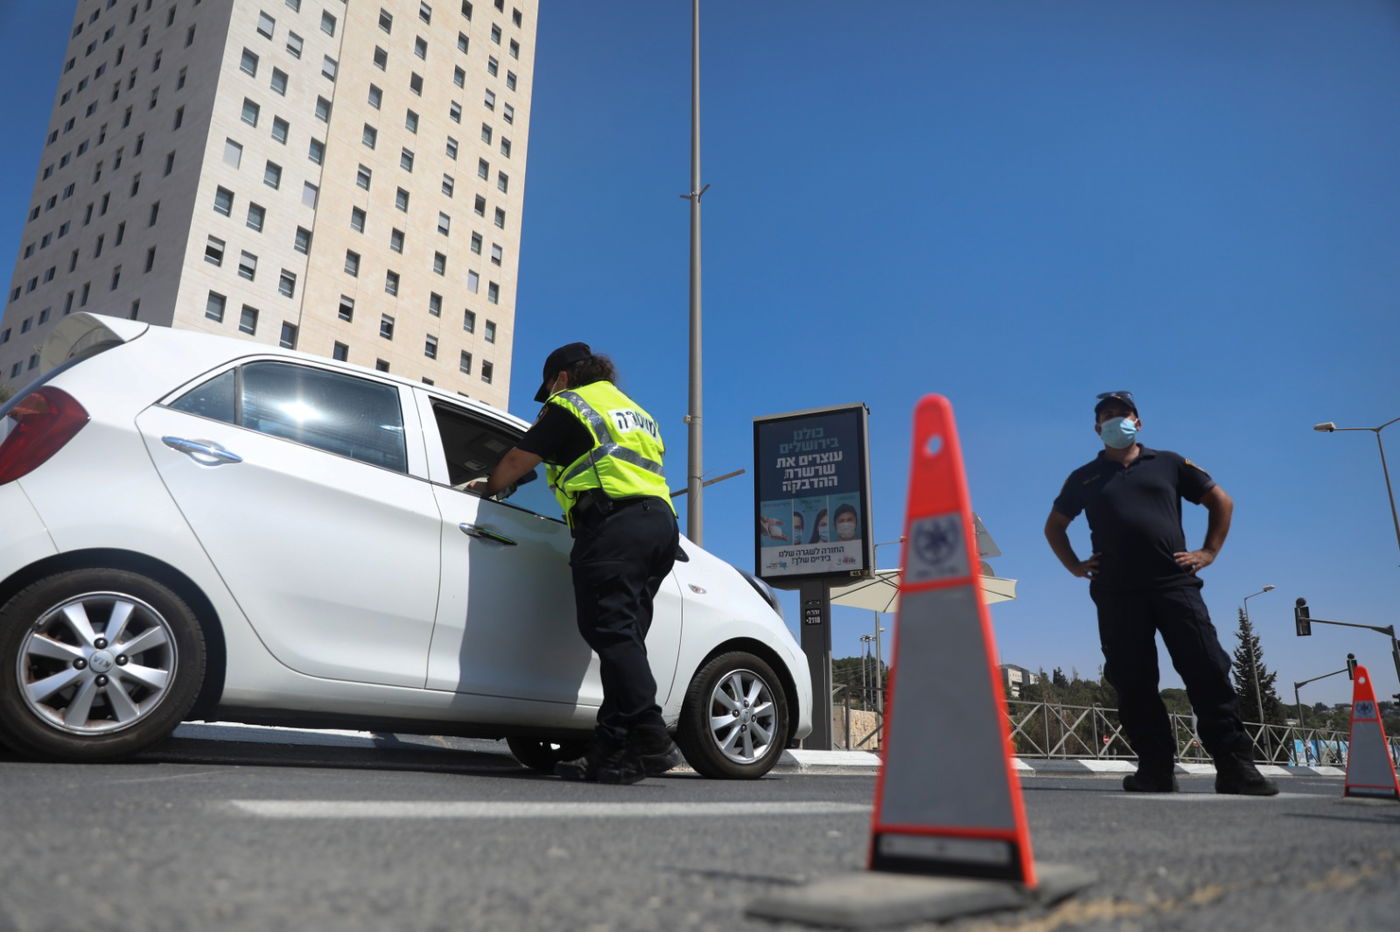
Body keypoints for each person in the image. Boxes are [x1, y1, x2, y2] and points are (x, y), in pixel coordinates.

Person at [1043, 391, 1278, 796]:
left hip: (1175, 585)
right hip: (1116, 592)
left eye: (1123, 414)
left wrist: (1208, 552)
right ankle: (1155, 769)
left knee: (1207, 670)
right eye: (1107, 417)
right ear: (1097, 429)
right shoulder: (1084, 477)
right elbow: (1055, 526)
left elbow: (1221, 500)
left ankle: (1236, 768)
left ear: (1139, 422)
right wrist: (1074, 565)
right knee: (1133, 682)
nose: (1116, 421)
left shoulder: (1169, 463)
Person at [471, 342, 682, 785]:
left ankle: (649, 731)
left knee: (608, 629)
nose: (547, 395)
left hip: (614, 523)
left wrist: (489, 489)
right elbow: (580, 457)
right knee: (624, 640)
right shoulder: (631, 411)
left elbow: (516, 459)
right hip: (659, 527)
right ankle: (613, 755)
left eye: (548, 386)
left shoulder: (570, 404)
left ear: (562, 378)